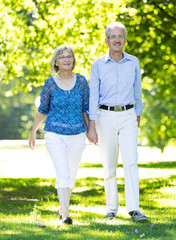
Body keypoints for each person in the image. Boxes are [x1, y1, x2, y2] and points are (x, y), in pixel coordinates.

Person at [87, 22, 148, 222]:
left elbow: (137, 90)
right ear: (106, 41)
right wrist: (92, 125)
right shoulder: (97, 65)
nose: (117, 40)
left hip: (129, 115)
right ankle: (111, 209)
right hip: (105, 117)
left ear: (125, 40)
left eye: (120, 36)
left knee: (131, 161)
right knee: (109, 164)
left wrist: (137, 114)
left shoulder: (134, 62)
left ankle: (134, 209)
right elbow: (93, 97)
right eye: (113, 36)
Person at [29, 44, 90, 225]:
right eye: (62, 56)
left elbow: (85, 109)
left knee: (71, 174)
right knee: (62, 172)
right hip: (54, 134)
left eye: (69, 56)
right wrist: (33, 132)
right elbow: (43, 109)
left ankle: (62, 208)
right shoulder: (50, 83)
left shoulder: (81, 82)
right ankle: (66, 215)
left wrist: (91, 130)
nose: (66, 59)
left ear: (73, 60)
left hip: (77, 134)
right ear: (56, 61)